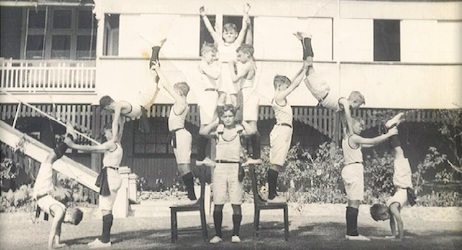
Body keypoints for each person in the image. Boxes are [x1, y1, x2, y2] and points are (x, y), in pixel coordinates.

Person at [200, 105, 256, 244]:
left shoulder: (239, 131)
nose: (228, 119)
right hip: (219, 168)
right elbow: (203, 132)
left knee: (236, 202)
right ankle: (218, 234)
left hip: (235, 168)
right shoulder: (218, 131)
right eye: (225, 116)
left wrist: (241, 121)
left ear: (234, 116)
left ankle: (235, 234)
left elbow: (252, 132)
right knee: (218, 202)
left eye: (230, 116)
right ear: (221, 117)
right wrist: (215, 122)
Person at [65, 122, 124, 248]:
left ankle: (105, 241)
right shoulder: (118, 143)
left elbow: (93, 149)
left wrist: (73, 145)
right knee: (107, 208)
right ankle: (104, 238)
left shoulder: (112, 144)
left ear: (111, 132)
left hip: (110, 176)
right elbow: (120, 125)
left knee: (106, 209)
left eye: (107, 132)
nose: (106, 134)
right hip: (112, 175)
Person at [294, 32, 365, 135]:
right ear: (354, 101)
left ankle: (304, 41)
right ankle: (307, 39)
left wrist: (345, 134)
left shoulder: (343, 107)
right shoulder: (344, 102)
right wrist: (351, 133)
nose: (357, 108)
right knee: (308, 65)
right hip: (321, 91)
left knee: (308, 66)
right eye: (358, 106)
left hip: (321, 92)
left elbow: (343, 121)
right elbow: (348, 118)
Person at [341, 116, 398, 241]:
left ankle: (350, 232)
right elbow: (372, 141)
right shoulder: (354, 137)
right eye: (359, 125)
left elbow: (372, 143)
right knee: (355, 202)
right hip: (354, 169)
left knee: (352, 202)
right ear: (353, 125)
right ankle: (353, 233)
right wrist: (389, 134)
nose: (361, 128)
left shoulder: (347, 138)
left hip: (348, 169)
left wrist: (382, 138)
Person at [98, 39, 166, 137]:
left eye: (106, 110)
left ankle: (156, 48)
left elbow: (114, 123)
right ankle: (156, 49)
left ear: (107, 106)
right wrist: (118, 140)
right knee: (154, 74)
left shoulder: (118, 106)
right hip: (143, 101)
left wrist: (113, 140)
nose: (108, 111)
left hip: (143, 99)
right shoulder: (119, 109)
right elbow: (121, 126)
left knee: (154, 72)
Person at [151, 62, 197, 204]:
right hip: (176, 135)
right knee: (181, 166)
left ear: (180, 93)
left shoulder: (182, 102)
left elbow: (167, 85)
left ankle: (192, 196)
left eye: (176, 91)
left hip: (181, 135)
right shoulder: (180, 102)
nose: (173, 93)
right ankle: (190, 195)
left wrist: (159, 69)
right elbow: (166, 86)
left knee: (184, 165)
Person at [33, 123, 83, 250]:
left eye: (69, 223)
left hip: (42, 191)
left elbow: (53, 229)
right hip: (44, 191)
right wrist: (57, 243)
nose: (67, 223)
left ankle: (69, 138)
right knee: (49, 159)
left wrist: (50, 247)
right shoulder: (62, 211)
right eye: (70, 222)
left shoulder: (61, 212)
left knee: (49, 159)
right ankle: (69, 138)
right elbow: (58, 228)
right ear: (71, 215)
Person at [267, 62, 309, 203]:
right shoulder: (278, 97)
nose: (287, 89)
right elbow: (294, 85)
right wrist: (305, 71)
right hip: (282, 131)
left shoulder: (279, 96)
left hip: (284, 131)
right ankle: (271, 195)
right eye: (285, 87)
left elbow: (291, 81)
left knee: (278, 163)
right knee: (276, 163)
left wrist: (303, 68)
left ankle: (272, 194)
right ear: (279, 87)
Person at [370, 112, 416, 241]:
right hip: (400, 183)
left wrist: (399, 238)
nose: (385, 220)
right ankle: (391, 129)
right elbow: (392, 222)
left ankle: (391, 128)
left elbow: (399, 222)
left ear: (383, 213)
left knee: (398, 153)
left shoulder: (393, 207)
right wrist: (393, 235)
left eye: (382, 218)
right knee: (396, 153)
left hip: (402, 182)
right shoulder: (390, 207)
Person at [200, 3, 251, 109]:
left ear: (235, 35)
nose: (229, 35)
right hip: (221, 72)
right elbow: (211, 30)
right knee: (221, 97)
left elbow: (244, 30)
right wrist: (204, 16)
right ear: (223, 34)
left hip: (232, 72)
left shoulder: (236, 44)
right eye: (226, 33)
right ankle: (220, 121)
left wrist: (245, 13)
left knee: (233, 97)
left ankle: (236, 121)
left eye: (231, 33)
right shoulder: (219, 43)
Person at [228, 44, 261, 166]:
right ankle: (251, 155)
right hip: (247, 93)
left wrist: (231, 65)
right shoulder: (251, 64)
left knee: (249, 126)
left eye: (240, 55)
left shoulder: (248, 65)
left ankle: (255, 155)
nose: (238, 58)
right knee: (247, 125)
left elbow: (235, 78)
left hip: (248, 94)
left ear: (248, 54)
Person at [196, 42, 220, 168]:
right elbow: (216, 75)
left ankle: (202, 156)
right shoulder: (203, 64)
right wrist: (218, 64)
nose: (213, 58)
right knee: (206, 127)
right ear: (204, 54)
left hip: (213, 95)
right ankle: (200, 156)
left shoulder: (208, 64)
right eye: (212, 55)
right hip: (208, 96)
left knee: (210, 127)